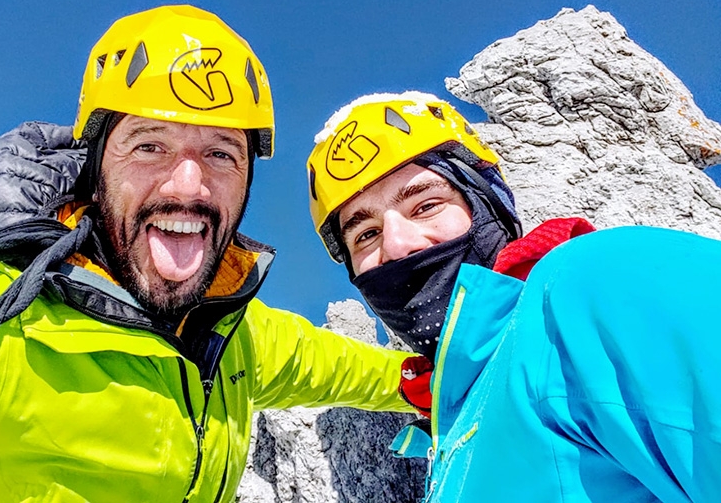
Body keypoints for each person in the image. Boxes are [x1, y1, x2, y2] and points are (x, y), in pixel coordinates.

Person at [0, 6, 414, 503]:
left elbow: (349, 369)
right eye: (150, 145)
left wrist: (446, 379)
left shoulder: (231, 332)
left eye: (221, 154)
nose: (187, 185)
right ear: (93, 166)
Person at [307, 91, 721, 502]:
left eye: (426, 205)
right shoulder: (460, 416)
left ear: (489, 205)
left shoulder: (596, 282)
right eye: (366, 234)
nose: (398, 245)